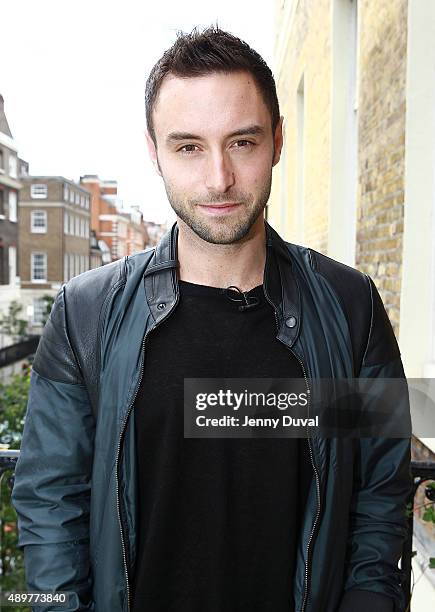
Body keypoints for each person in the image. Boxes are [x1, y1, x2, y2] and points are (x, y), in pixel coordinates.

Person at [12, 25, 412, 612]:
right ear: (154, 151)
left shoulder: (351, 307)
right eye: (189, 146)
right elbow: (50, 502)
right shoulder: (85, 313)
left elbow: (380, 493)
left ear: (277, 141)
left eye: (242, 143)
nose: (219, 178)